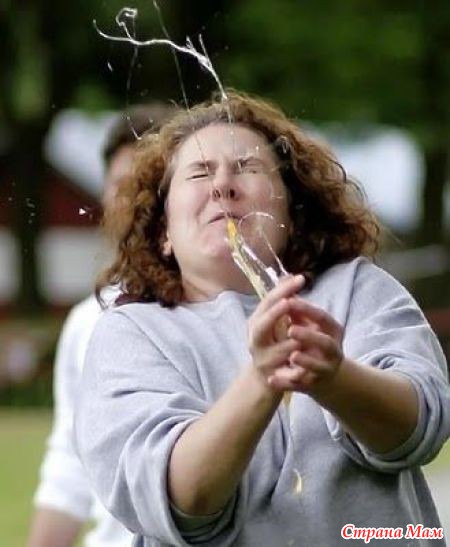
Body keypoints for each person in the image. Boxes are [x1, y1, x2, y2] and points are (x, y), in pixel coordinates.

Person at [74, 91, 450, 546]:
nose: (222, 186)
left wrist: (335, 380)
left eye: (247, 167)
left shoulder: (357, 289)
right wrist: (262, 378)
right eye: (200, 172)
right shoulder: (130, 333)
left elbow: (418, 428)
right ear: (163, 231)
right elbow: (181, 499)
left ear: (293, 211)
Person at [27, 103, 175, 547]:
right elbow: (70, 466)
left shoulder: (236, 311)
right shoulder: (87, 320)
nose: (135, 201)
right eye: (121, 186)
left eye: (151, 184)